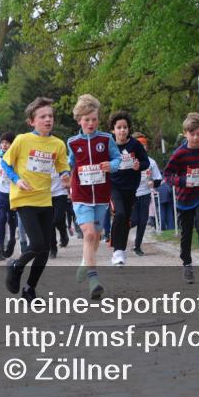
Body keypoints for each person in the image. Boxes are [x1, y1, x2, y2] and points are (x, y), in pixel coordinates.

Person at [1, 97, 71, 300]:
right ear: (32, 121)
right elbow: (6, 163)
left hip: (45, 199)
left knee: (44, 250)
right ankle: (15, 266)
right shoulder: (22, 140)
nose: (48, 119)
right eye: (43, 116)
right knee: (39, 244)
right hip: (24, 198)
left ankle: (29, 289)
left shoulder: (57, 144)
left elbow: (62, 166)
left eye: (50, 116)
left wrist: (65, 175)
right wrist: (17, 179)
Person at [66, 94, 120, 299]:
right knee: (88, 234)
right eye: (86, 119)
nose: (91, 123)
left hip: (101, 195)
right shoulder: (73, 142)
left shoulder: (106, 139)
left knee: (96, 236)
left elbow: (117, 160)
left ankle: (84, 261)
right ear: (79, 120)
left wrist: (111, 166)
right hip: (81, 194)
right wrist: (63, 175)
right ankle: (93, 280)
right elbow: (69, 164)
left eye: (94, 119)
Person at [164, 112, 199, 283]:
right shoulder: (179, 154)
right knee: (186, 233)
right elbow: (168, 175)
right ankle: (187, 264)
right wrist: (183, 181)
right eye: (192, 134)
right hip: (184, 199)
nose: (195, 138)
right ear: (185, 134)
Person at [108, 111, 148, 267]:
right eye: (119, 127)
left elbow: (145, 162)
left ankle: (121, 252)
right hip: (113, 185)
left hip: (131, 187)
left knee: (125, 219)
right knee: (120, 214)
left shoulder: (135, 145)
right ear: (113, 130)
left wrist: (139, 165)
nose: (122, 130)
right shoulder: (108, 144)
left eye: (125, 127)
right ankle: (117, 251)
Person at [132, 133, 161, 255]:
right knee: (132, 221)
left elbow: (158, 179)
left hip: (144, 193)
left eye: (144, 145)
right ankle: (118, 238)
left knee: (142, 221)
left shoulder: (151, 162)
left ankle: (137, 247)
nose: (143, 147)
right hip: (131, 195)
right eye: (140, 145)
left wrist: (153, 183)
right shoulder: (128, 161)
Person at [0, 132, 17, 261]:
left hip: (13, 190)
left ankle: (12, 240)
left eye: (7, 142)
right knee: (2, 218)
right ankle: (1, 248)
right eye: (2, 142)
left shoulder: (16, 156)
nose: (4, 145)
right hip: (1, 190)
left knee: (11, 218)